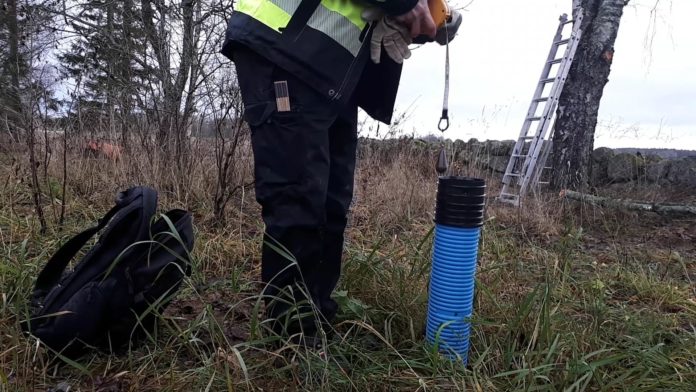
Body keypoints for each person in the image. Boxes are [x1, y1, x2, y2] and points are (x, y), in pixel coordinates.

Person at [220, 0, 437, 344]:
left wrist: (421, 20)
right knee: (297, 199)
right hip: (286, 45)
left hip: (334, 67)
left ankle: (316, 318)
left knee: (332, 204)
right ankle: (293, 338)